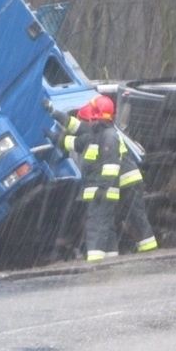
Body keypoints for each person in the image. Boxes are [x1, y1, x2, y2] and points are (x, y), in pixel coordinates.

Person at [45, 95, 121, 261]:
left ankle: (94, 263)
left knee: (95, 227)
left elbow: (111, 166)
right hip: (99, 192)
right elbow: (73, 143)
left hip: (101, 193)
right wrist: (52, 135)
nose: (88, 122)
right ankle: (111, 261)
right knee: (106, 228)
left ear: (97, 116)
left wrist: (103, 188)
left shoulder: (108, 136)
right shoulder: (95, 136)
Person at [115, 132, 157, 254]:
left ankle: (149, 249)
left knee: (137, 215)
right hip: (131, 179)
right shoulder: (115, 134)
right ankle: (147, 247)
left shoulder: (106, 136)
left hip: (127, 181)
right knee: (136, 215)